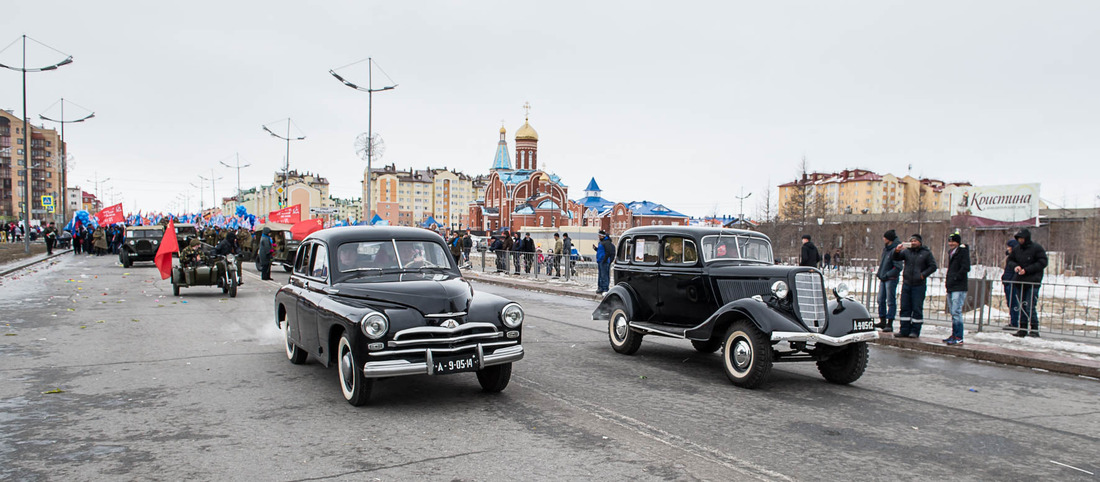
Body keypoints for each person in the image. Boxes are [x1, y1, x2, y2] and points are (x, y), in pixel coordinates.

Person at [892, 233, 937, 338]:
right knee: (905, 307)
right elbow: (896, 258)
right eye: (911, 241)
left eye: (915, 241)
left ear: (920, 242)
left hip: (919, 285)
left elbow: (933, 266)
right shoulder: (907, 252)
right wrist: (897, 250)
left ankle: (915, 331)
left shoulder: (926, 253)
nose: (913, 243)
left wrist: (923, 275)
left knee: (916, 308)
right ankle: (904, 330)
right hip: (907, 283)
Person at [1007, 228, 1047, 338]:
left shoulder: (1037, 248)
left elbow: (1043, 262)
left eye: (1022, 238)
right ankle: (1022, 328)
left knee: (1029, 305)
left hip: (1032, 281)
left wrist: (1028, 269)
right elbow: (1010, 260)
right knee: (1022, 306)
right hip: (1020, 281)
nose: (1020, 241)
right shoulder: (1017, 249)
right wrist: (1016, 267)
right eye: (1018, 238)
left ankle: (1034, 328)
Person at [943, 231, 971, 345]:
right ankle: (954, 334)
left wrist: (956, 277)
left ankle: (959, 336)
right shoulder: (951, 253)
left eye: (953, 241)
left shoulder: (962, 252)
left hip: (959, 286)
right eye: (949, 241)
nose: (951, 243)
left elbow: (966, 267)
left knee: (956, 311)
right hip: (951, 285)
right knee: (953, 312)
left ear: (958, 242)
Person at [874, 230, 902, 332]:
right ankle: (882, 320)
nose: (883, 239)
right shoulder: (886, 249)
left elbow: (898, 266)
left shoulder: (896, 250)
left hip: (890, 279)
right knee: (880, 299)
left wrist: (887, 275)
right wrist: (880, 273)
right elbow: (883, 264)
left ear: (889, 239)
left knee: (890, 301)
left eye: (885, 237)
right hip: (884, 278)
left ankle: (889, 322)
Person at [1001, 239, 1021, 332]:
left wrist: (1011, 281)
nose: (1007, 248)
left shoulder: (1017, 258)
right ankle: (1013, 321)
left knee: (1014, 303)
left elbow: (1015, 271)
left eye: (1009, 246)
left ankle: (1015, 322)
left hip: (1012, 283)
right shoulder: (1010, 257)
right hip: (1008, 282)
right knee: (1010, 303)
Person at [596, 230, 615, 294]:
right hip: (600, 260)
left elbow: (608, 252)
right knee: (601, 275)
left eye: (599, 235)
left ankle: (605, 288)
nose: (598, 236)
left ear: (602, 236)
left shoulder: (606, 242)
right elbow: (601, 251)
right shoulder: (601, 242)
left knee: (604, 275)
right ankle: (600, 287)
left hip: (603, 261)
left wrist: (605, 260)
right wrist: (596, 249)